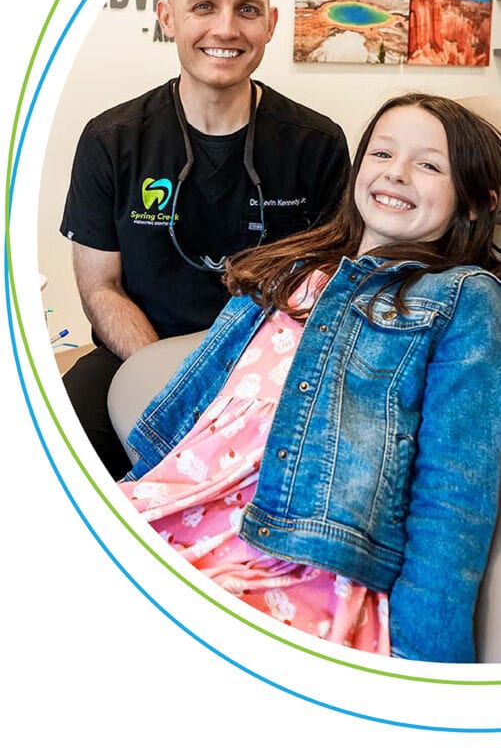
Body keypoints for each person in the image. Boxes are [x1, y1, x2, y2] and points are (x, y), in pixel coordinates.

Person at [120, 93, 501, 663]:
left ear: (476, 203)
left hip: (296, 562)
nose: (395, 173)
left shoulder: (463, 298)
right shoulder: (292, 267)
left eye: (428, 164)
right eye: (382, 153)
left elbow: (455, 490)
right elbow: (199, 412)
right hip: (176, 512)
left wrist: (428, 671)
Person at [60, 0, 350, 478]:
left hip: (268, 369)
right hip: (140, 353)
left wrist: (245, 383)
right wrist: (172, 377)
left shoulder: (316, 144)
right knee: (63, 450)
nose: (225, 29)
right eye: (203, 6)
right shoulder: (112, 140)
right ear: (168, 18)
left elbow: (327, 290)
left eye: (247, 9)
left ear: (271, 24)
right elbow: (101, 287)